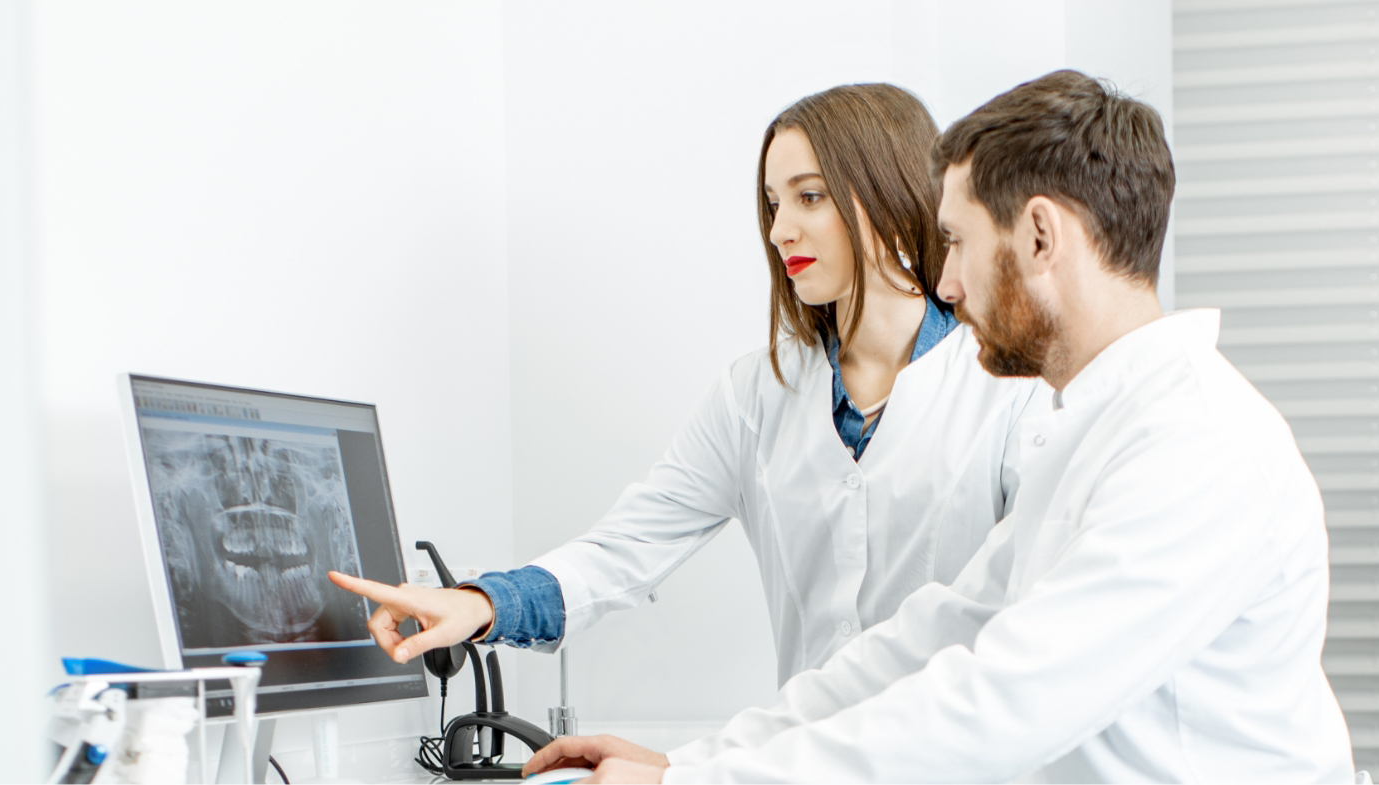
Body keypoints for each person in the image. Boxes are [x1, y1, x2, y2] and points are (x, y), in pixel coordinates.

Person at [520, 70, 1354, 783]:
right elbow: (926, 639)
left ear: (1037, 236)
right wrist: (691, 764)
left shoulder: (1196, 446)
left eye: (955, 243)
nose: (945, 283)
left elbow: (1003, 698)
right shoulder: (1090, 438)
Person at [329, 83, 1048, 688]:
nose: (780, 230)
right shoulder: (757, 392)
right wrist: (479, 604)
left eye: (809, 197)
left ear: (892, 193)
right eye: (773, 203)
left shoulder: (1011, 386)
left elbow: (1030, 625)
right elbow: (623, 550)